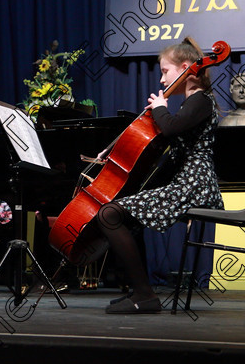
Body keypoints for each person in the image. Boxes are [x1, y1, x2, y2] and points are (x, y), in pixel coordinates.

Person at [93, 37, 224, 314]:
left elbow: (171, 129)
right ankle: (138, 291)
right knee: (125, 217)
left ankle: (145, 296)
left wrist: (160, 107)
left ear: (186, 68)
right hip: (186, 182)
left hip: (194, 185)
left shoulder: (200, 99)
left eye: (165, 71)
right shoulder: (192, 103)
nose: (162, 79)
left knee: (109, 214)